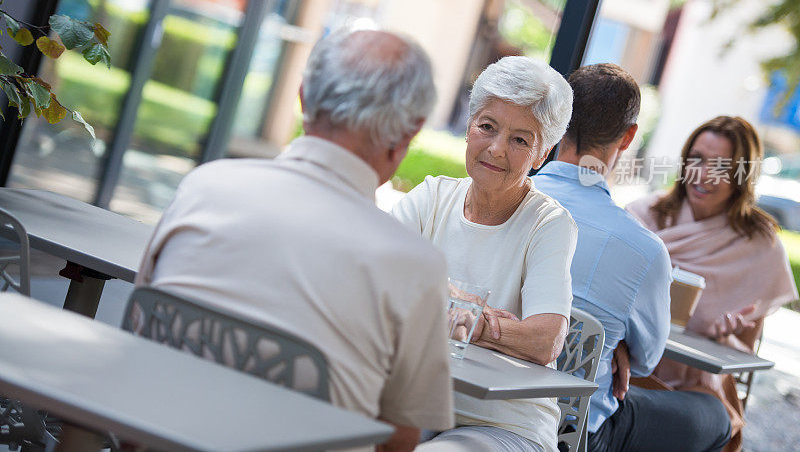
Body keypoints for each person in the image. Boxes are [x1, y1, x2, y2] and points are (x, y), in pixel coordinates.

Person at [135, 29, 454, 451]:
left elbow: (140, 333)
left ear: (303, 98)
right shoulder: (414, 265)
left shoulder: (204, 187)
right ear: (408, 134)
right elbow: (398, 438)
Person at [534, 63, 732, 452]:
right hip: (577, 433)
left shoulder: (508, 197)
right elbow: (644, 363)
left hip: (486, 403)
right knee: (718, 417)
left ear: (561, 121)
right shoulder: (645, 250)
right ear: (628, 138)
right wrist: (613, 343)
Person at [392, 56, 577, 452]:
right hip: (415, 403)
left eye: (519, 140)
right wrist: (451, 299)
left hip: (505, 423)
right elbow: (374, 269)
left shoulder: (550, 224)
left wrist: (467, 322)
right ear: (469, 126)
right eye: (487, 127)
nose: (495, 149)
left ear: (541, 155)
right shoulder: (432, 195)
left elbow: (546, 340)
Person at [627, 115, 799, 451]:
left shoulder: (759, 245)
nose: (702, 175)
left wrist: (725, 339)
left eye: (722, 166)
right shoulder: (641, 217)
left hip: (692, 391)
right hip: (622, 370)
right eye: (697, 159)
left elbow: (744, 354)